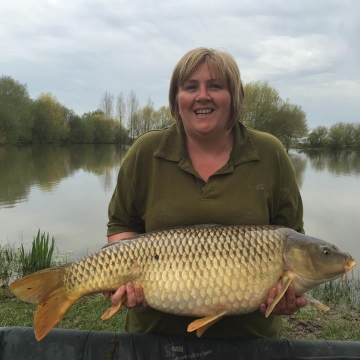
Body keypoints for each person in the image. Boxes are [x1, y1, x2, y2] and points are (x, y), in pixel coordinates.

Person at [105, 47, 307, 338]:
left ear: (234, 96)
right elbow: (122, 225)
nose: (202, 96)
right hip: (154, 335)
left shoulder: (270, 153)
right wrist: (120, 280)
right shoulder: (145, 152)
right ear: (177, 98)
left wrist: (286, 295)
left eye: (215, 86)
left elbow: (292, 238)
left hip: (250, 340)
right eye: (190, 87)